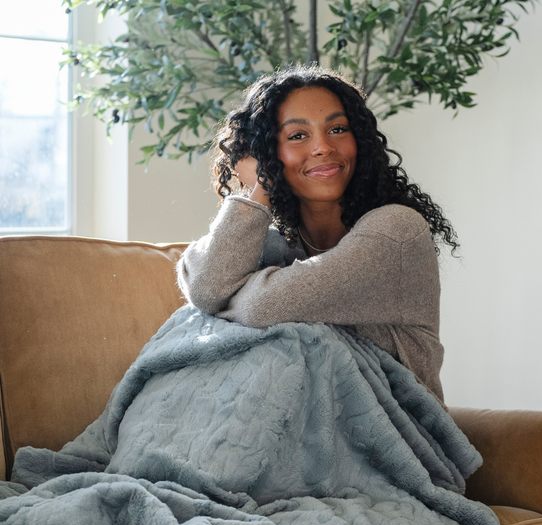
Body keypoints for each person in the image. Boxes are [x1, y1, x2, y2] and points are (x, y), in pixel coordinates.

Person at [177, 65, 458, 407]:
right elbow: (207, 288)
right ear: (268, 155)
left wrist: (232, 296)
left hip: (398, 432)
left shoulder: (396, 231)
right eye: (297, 135)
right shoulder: (277, 242)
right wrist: (260, 190)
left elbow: (264, 305)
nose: (324, 147)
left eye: (338, 129)